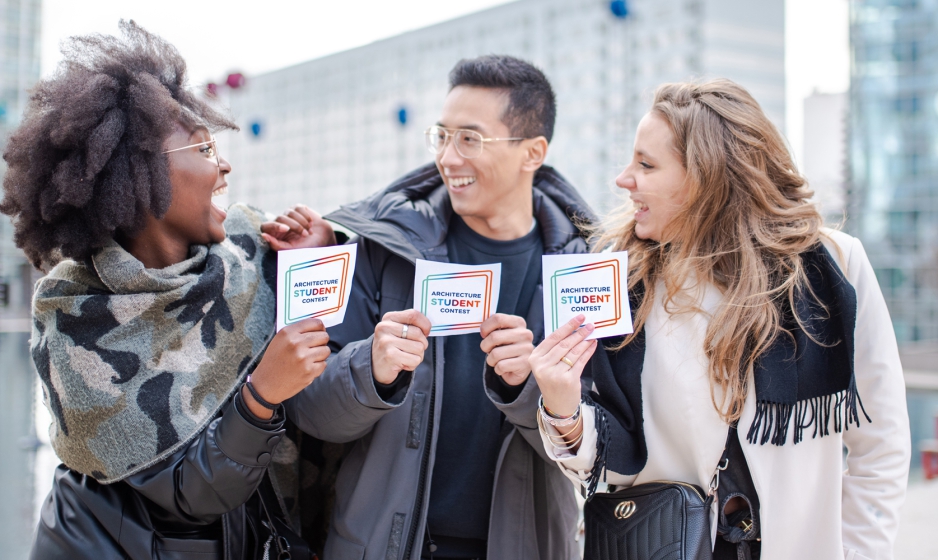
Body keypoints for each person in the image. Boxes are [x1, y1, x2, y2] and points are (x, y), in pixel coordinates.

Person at [530, 79, 911, 560]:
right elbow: (607, 466)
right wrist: (563, 410)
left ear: (707, 177)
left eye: (646, 165)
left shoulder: (832, 265)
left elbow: (882, 441)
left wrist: (859, 554)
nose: (624, 179)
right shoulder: (618, 278)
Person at [0, 21, 336, 559]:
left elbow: (323, 369)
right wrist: (261, 394)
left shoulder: (253, 254)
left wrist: (312, 261)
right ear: (139, 179)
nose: (224, 164)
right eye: (203, 148)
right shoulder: (76, 314)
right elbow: (191, 494)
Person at [285, 55, 593, 560]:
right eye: (442, 136)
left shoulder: (586, 272)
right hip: (375, 545)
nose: (448, 158)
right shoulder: (383, 249)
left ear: (532, 152)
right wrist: (373, 370)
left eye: (470, 139)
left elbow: (598, 449)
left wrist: (528, 388)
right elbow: (309, 409)